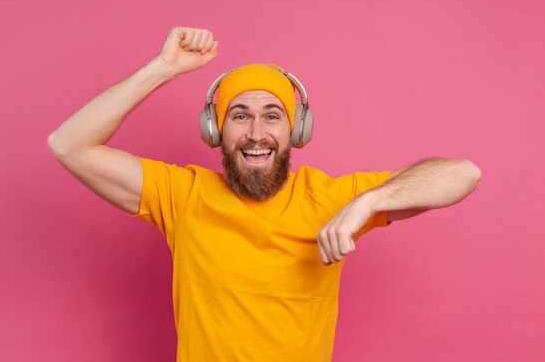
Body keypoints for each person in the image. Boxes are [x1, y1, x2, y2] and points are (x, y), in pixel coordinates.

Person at [47, 26, 481, 361]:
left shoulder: (330, 197)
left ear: (296, 131)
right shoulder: (181, 194)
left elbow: (463, 173)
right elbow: (69, 144)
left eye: (272, 116)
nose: (257, 134)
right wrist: (163, 68)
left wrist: (368, 202)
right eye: (240, 116)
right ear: (215, 131)